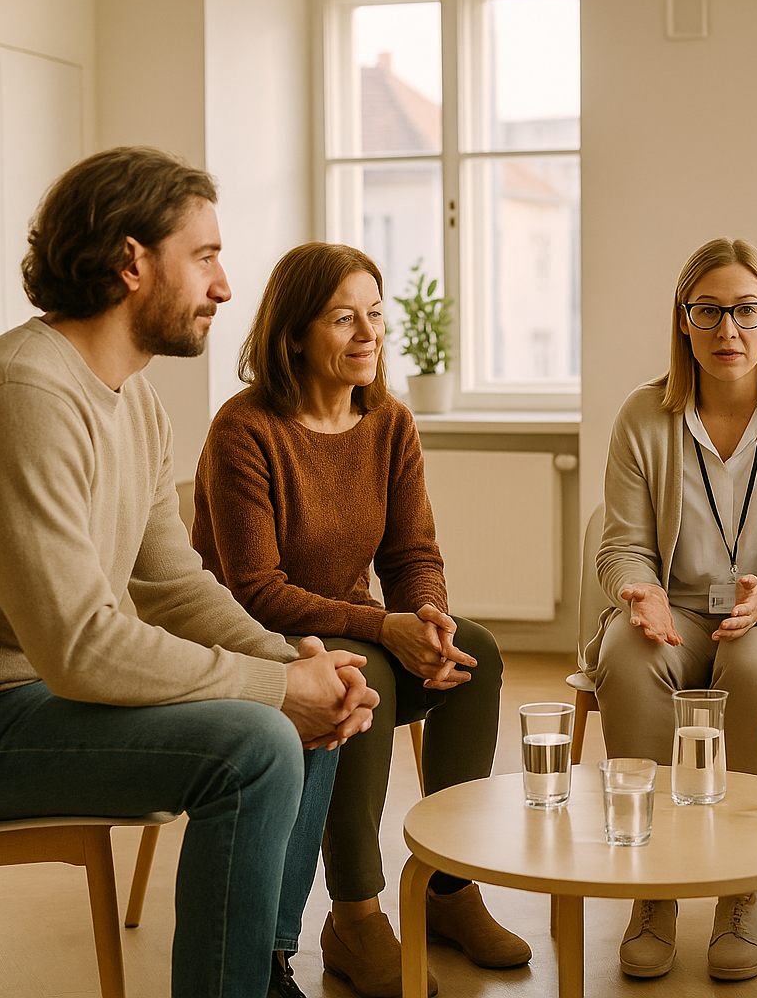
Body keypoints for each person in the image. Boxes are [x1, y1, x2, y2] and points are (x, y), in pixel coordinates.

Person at [0, 146, 379, 998]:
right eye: (204, 256)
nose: (226, 286)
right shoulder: (21, 396)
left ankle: (262, 968)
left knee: (308, 689)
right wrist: (274, 690)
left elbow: (173, 585)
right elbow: (81, 648)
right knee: (256, 737)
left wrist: (293, 664)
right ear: (132, 262)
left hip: (28, 705)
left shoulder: (133, 402)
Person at [192, 242, 529, 998]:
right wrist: (385, 629)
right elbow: (254, 589)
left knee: (475, 653)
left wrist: (430, 619)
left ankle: (449, 891)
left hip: (354, 632)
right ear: (294, 335)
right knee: (362, 670)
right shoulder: (244, 430)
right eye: (345, 319)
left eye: (375, 315)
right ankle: (355, 915)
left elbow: (413, 553)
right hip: (263, 646)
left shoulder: (390, 423)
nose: (368, 334)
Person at [585, 237, 757, 982]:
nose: (727, 331)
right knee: (628, 658)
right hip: (678, 611)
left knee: (753, 659)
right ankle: (653, 889)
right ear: (683, 321)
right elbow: (622, 550)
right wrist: (641, 593)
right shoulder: (644, 414)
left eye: (745, 311)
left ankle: (743, 889)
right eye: (708, 312)